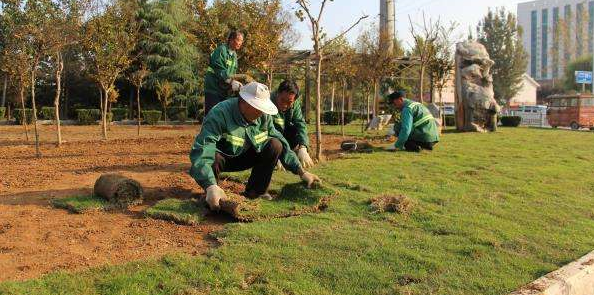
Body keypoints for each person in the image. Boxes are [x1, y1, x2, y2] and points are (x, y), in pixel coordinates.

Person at [189, 82, 321, 211]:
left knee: (275, 144)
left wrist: (301, 171)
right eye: (259, 108)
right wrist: (210, 185)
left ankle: (256, 192)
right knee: (212, 156)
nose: (262, 113)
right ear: (245, 103)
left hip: (246, 157)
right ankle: (213, 191)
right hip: (223, 158)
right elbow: (203, 149)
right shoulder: (220, 113)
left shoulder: (264, 117)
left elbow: (280, 140)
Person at [270, 80, 314, 168]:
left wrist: (303, 147)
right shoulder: (268, 101)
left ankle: (293, 155)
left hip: (285, 132)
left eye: (289, 102)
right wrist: (276, 153)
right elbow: (268, 130)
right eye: (282, 100)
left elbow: (300, 124)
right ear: (278, 93)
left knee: (294, 130)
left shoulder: (295, 104)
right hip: (271, 135)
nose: (285, 105)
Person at [204, 30, 244, 115]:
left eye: (242, 41)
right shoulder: (221, 50)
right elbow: (219, 68)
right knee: (212, 114)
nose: (240, 43)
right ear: (231, 40)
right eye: (239, 40)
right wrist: (231, 81)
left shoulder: (234, 56)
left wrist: (234, 84)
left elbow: (233, 73)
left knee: (222, 116)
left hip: (224, 91)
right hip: (213, 88)